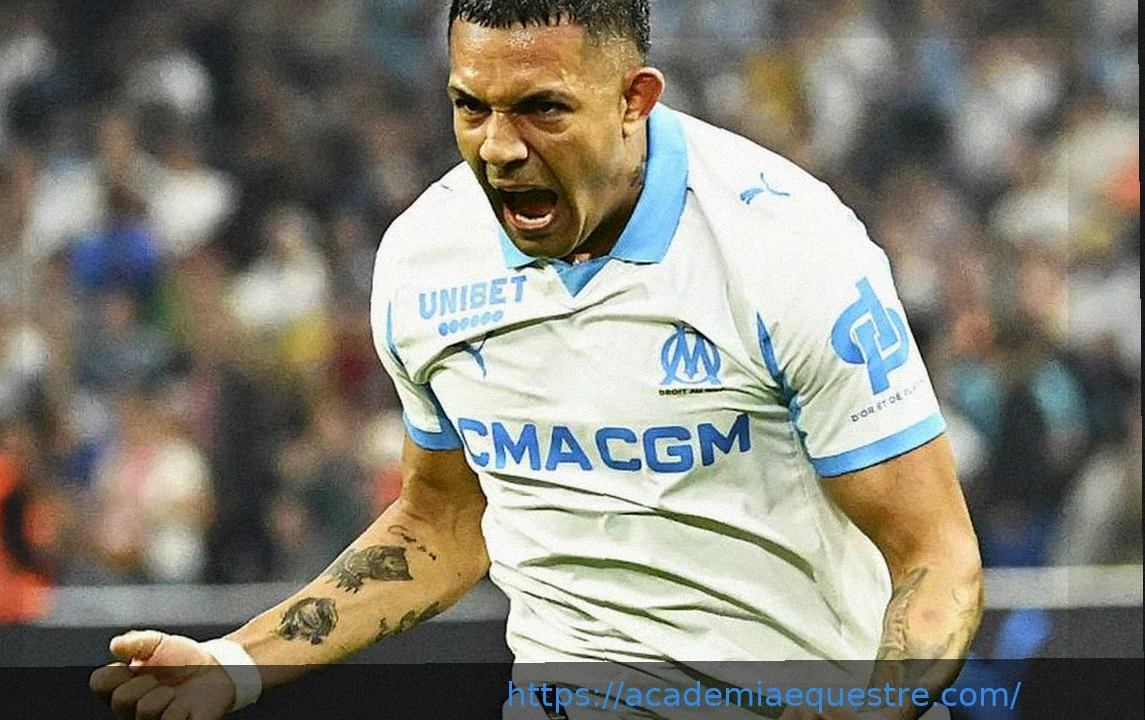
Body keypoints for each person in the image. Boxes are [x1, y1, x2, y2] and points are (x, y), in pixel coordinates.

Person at [92, 2, 982, 719]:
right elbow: (442, 520)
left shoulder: (788, 247)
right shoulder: (425, 260)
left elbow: (936, 554)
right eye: (470, 107)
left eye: (541, 109)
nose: (499, 147)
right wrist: (239, 662)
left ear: (634, 99)